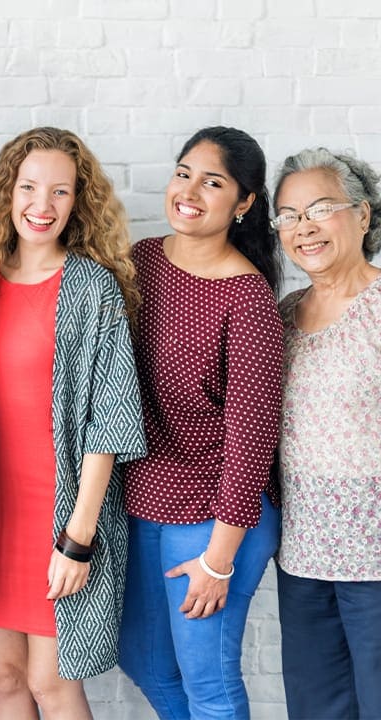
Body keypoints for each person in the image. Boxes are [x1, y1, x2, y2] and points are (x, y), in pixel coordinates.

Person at [0, 127, 145, 718]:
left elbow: (111, 421)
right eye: (29, 187)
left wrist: (78, 541)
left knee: (53, 685)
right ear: (6, 193)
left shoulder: (91, 288)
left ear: (78, 201)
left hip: (61, 516)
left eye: (60, 192)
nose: (42, 205)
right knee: (5, 681)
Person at [116, 126, 283, 720]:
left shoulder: (249, 299)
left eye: (212, 182)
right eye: (183, 173)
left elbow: (251, 441)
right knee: (146, 664)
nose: (190, 190)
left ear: (243, 205)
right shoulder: (141, 261)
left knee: (207, 681)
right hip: (145, 500)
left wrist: (218, 560)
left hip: (218, 514)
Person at [270, 148, 381, 720]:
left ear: (363, 215)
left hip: (376, 561)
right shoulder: (283, 315)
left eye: (320, 208)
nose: (303, 227)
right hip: (305, 556)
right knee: (316, 710)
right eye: (287, 215)